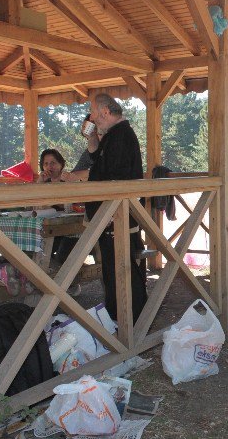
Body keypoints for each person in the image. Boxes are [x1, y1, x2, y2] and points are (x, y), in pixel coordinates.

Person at [84, 93, 147, 322]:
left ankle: (130, 318)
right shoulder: (113, 136)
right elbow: (97, 161)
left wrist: (110, 211)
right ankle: (120, 316)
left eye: (93, 111)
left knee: (120, 268)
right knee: (113, 268)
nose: (91, 117)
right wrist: (91, 138)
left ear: (105, 111)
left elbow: (116, 178)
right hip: (111, 214)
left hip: (116, 215)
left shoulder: (120, 136)